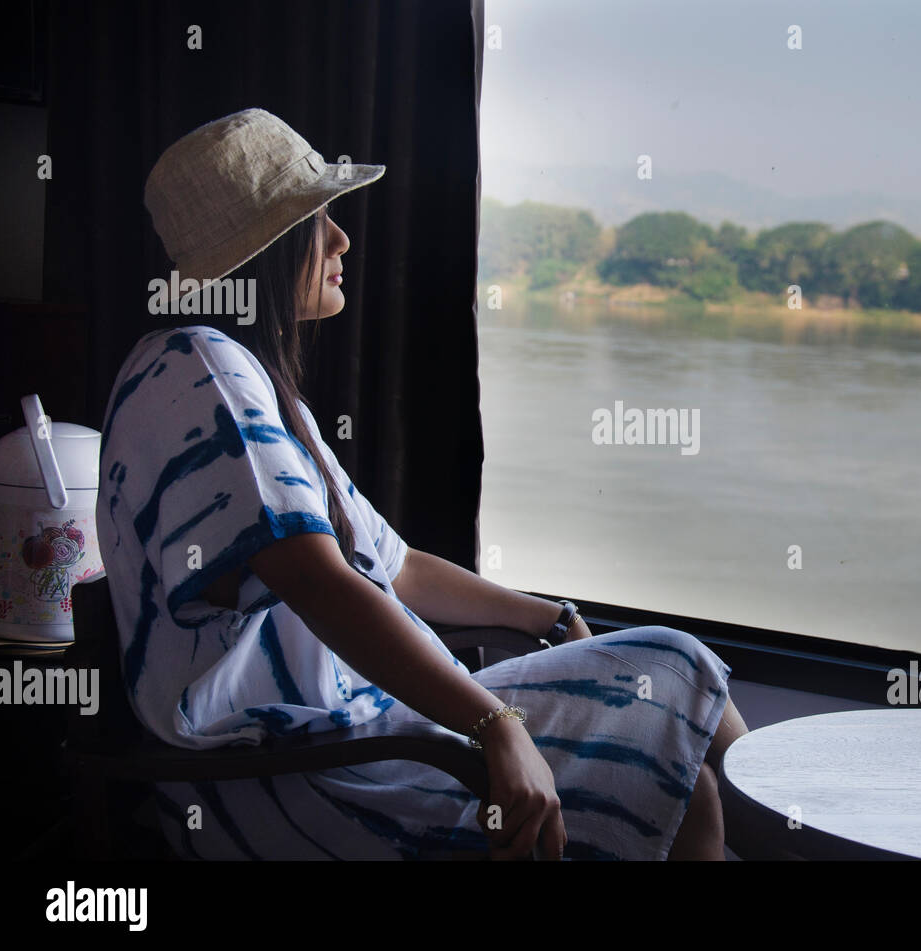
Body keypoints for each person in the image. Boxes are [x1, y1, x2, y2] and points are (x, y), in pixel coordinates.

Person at [96, 108, 748, 860]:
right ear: (266, 252)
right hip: (290, 780)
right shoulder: (196, 368)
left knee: (680, 741)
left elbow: (394, 566)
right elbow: (320, 581)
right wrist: (494, 726)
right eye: (317, 219)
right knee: (675, 670)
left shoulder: (255, 387)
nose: (342, 239)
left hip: (355, 737)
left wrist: (547, 614)